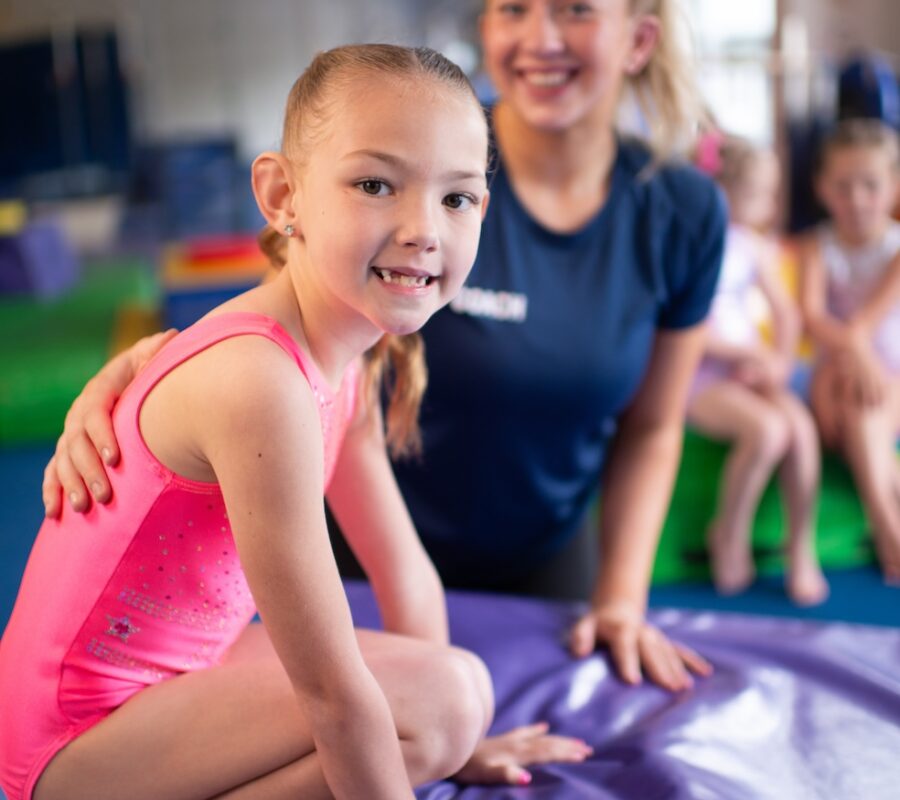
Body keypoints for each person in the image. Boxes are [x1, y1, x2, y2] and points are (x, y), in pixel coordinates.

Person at [44, 0, 722, 692]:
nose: (540, 39)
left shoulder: (681, 213)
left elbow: (653, 425)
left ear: (639, 39)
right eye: (513, 8)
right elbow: (281, 310)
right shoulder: (425, 137)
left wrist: (621, 596)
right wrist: (135, 376)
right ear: (486, 26)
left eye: (575, 10)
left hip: (543, 546)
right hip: (360, 537)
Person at [0, 45, 596, 800]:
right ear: (283, 195)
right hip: (76, 745)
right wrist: (434, 735)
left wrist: (451, 751)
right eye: (376, 184)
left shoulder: (345, 357)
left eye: (458, 198)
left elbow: (403, 568)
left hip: (184, 675)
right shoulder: (259, 381)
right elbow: (332, 693)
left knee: (457, 698)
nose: (423, 228)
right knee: (437, 702)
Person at [689, 134, 828, 605]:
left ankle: (800, 545)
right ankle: (728, 531)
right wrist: (740, 357)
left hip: (749, 368)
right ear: (721, 190)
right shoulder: (696, 242)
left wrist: (779, 364)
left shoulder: (751, 245)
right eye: (759, 194)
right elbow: (688, 328)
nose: (770, 204)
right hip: (701, 376)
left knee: (801, 429)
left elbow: (786, 314)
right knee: (768, 431)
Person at [798, 118, 900, 582]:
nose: (857, 199)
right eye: (843, 186)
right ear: (822, 188)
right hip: (838, 371)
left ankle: (886, 526)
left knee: (862, 404)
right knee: (845, 387)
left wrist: (856, 354)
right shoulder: (818, 246)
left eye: (870, 185)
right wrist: (853, 355)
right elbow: (813, 317)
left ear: (894, 185)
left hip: (890, 374)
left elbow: (868, 320)